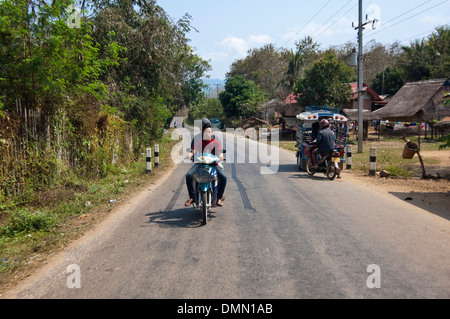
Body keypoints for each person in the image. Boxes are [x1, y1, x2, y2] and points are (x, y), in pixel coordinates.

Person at [185, 118, 227, 207]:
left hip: (213, 163)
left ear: (211, 132)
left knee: (223, 177)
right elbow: (192, 150)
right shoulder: (197, 140)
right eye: (204, 128)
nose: (207, 132)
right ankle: (192, 197)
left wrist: (220, 156)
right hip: (199, 162)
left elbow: (220, 151)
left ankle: (219, 197)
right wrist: (190, 155)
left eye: (209, 130)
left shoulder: (216, 140)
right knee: (189, 175)